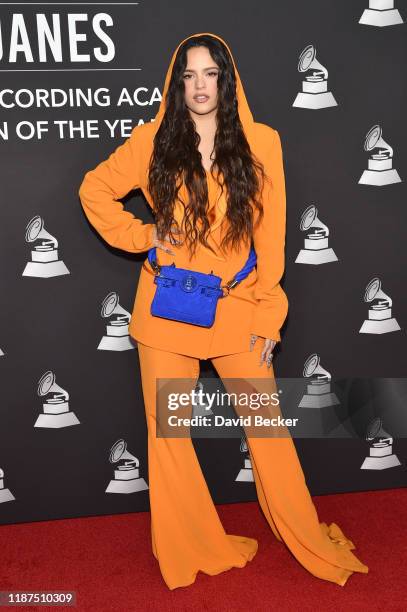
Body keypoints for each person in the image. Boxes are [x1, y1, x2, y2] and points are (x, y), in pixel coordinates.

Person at [79, 32, 369, 590]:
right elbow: (94, 189)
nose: (199, 85)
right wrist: (144, 235)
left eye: (210, 73)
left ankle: (306, 537)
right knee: (168, 438)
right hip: (166, 310)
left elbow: (273, 236)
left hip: (238, 308)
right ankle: (191, 547)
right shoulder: (152, 141)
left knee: (267, 429)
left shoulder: (263, 142)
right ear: (176, 82)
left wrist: (267, 315)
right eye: (188, 75)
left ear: (226, 79)